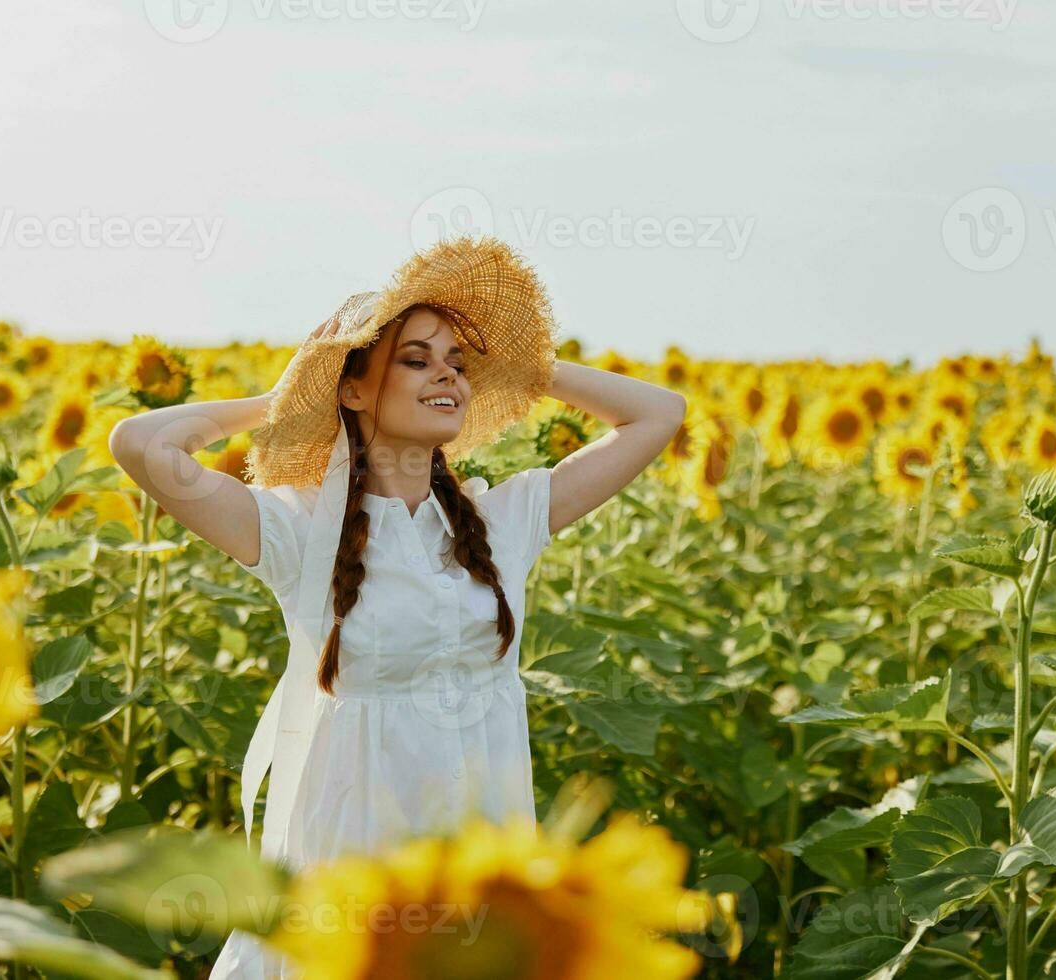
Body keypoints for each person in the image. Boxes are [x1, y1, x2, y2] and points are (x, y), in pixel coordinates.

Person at [107, 236, 686, 978]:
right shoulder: (296, 531)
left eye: (458, 362)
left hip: (481, 869)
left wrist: (522, 367)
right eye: (415, 359)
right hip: (355, 873)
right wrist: (284, 396)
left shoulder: (501, 522)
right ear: (353, 388)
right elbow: (140, 443)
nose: (446, 373)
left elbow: (658, 415)